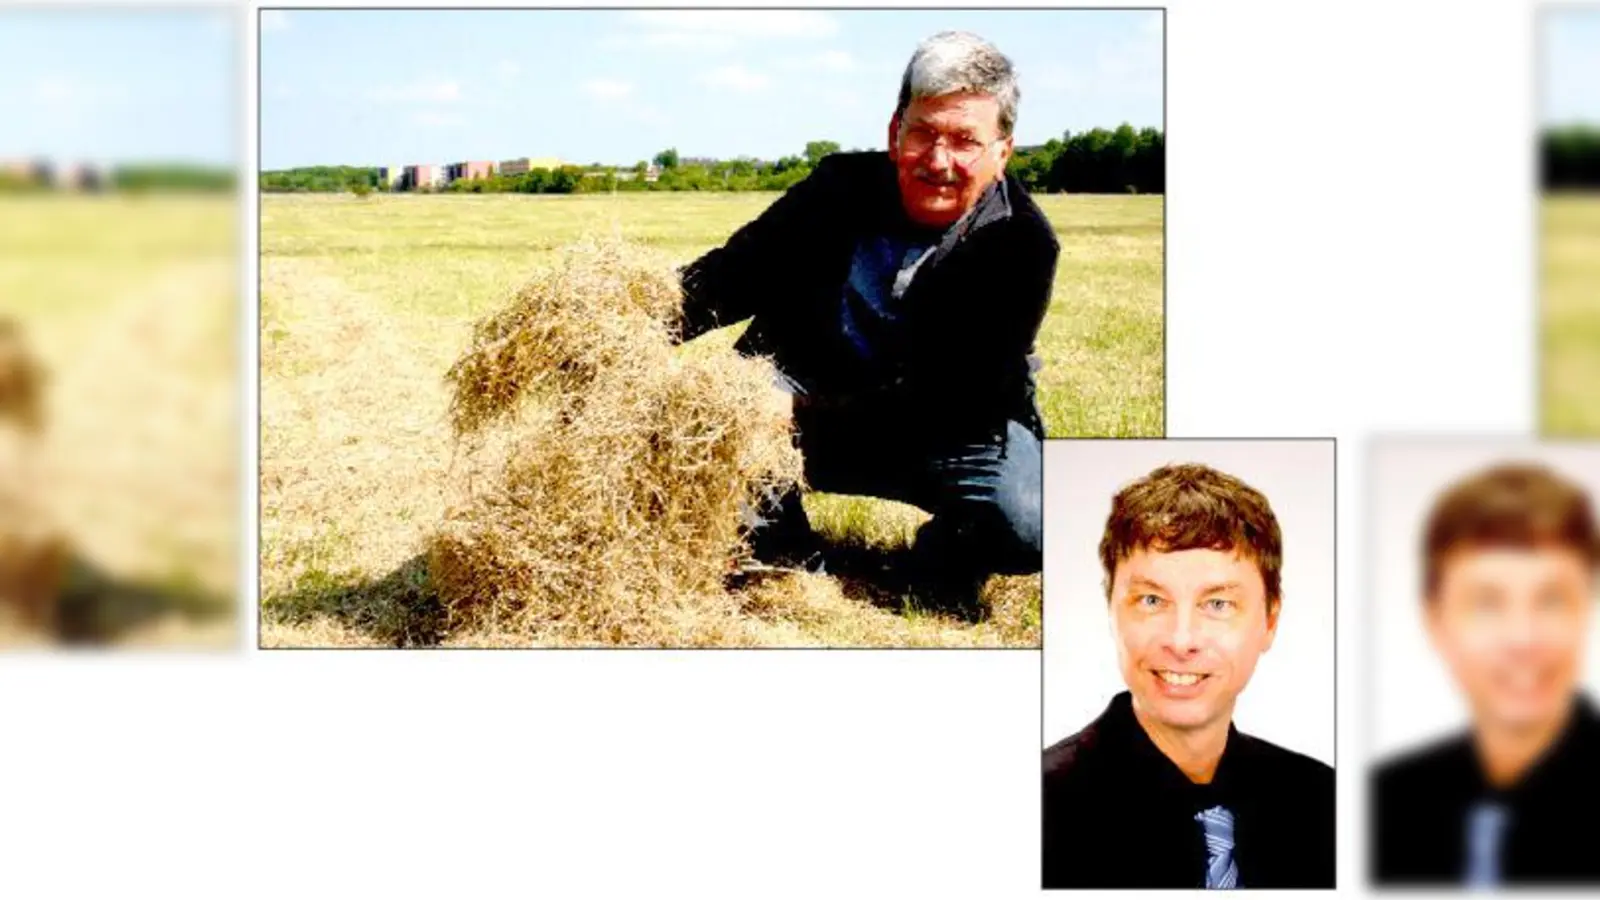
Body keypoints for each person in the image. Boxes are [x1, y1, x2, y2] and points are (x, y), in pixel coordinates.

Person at [676, 31, 1058, 611]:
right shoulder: (836, 188)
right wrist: (633, 325)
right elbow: (736, 274)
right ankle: (779, 549)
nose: (939, 161)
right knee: (719, 402)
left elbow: (955, 398)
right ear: (894, 132)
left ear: (1003, 151)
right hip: (807, 389)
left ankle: (941, 560)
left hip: (947, 429)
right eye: (924, 133)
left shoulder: (1021, 244)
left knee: (1034, 520)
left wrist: (797, 415)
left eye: (965, 141)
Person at [1041, 463, 1335, 889]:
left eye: (1217, 604)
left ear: (1270, 620)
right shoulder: (1040, 809)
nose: (1181, 640)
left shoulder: (1324, 802)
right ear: (1111, 611)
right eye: (1151, 599)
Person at [1372, 462, 1600, 887]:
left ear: (1586, 608)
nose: (1523, 638)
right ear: (1436, 621)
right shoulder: (1381, 803)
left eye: (1552, 600)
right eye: (1487, 603)